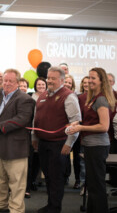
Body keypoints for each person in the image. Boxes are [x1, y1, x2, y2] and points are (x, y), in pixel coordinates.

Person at [0, 69, 35, 213]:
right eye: (5, 80)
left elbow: (22, 119)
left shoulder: (25, 99)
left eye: (11, 81)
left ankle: (16, 209)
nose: (7, 83)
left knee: (17, 182)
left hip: (14, 147)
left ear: (17, 82)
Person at [33, 66, 81, 213]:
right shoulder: (42, 95)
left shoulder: (69, 96)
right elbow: (37, 119)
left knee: (56, 178)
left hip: (59, 144)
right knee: (48, 176)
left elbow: (75, 122)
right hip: (43, 143)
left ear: (61, 80)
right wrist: (34, 137)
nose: (49, 81)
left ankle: (55, 208)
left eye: (53, 78)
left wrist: (69, 143)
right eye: (48, 78)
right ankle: (50, 204)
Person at [68, 67, 115, 213]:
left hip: (97, 146)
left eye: (93, 78)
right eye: (89, 77)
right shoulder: (92, 97)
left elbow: (104, 126)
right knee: (93, 184)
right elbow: (91, 121)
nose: (90, 80)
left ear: (102, 81)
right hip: (90, 145)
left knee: (97, 185)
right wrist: (79, 124)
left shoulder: (100, 99)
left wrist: (81, 129)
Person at [77, 76, 89, 195]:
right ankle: (83, 185)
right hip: (82, 133)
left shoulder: (100, 98)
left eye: (88, 82)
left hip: (95, 135)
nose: (87, 84)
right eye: (84, 82)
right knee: (83, 162)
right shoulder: (80, 98)